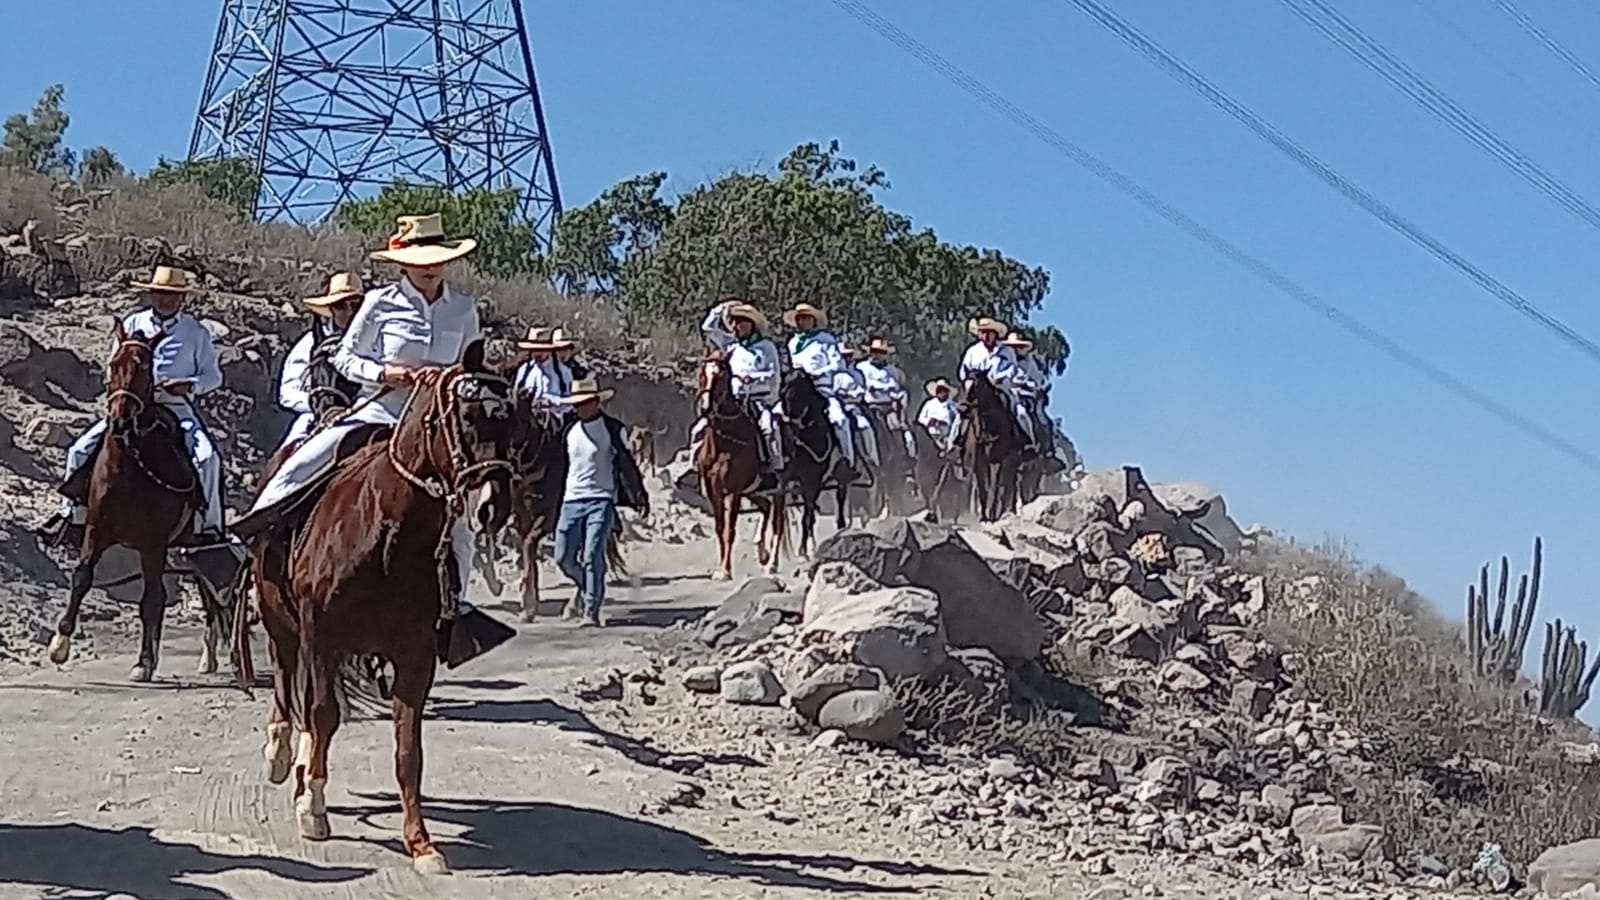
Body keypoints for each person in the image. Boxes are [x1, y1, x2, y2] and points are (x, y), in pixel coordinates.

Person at [234, 212, 482, 605]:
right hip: (380, 411)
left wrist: (449, 378)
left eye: (437, 260)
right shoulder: (380, 304)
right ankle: (254, 537)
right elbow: (346, 359)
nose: (432, 267)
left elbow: (473, 365)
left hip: (437, 425)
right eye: (423, 261)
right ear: (404, 264)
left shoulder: (464, 309)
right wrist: (386, 373)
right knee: (302, 462)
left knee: (463, 519)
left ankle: (457, 606)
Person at [41, 265, 225, 547]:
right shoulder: (133, 324)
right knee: (79, 449)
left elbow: (213, 376)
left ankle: (210, 526)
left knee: (208, 459)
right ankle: (71, 515)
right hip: (131, 404)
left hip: (174, 404)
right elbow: (113, 365)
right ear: (151, 294)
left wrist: (189, 385)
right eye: (159, 293)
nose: (165, 299)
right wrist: (119, 394)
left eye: (171, 294)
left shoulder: (196, 333)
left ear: (182, 298)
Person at [553, 377, 650, 627]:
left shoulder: (612, 429)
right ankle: (589, 586)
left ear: (596, 402)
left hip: (601, 499)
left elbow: (627, 464)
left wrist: (639, 494)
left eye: (584, 403)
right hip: (571, 500)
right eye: (576, 404)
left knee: (593, 553)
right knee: (562, 557)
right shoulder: (568, 431)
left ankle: (591, 610)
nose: (579, 408)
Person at [699, 298, 785, 492]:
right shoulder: (731, 345)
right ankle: (696, 464)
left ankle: (773, 470)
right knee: (701, 426)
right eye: (734, 321)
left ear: (751, 325)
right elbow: (708, 328)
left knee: (769, 427)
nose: (736, 326)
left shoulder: (766, 347)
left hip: (758, 400)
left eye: (740, 322)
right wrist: (722, 307)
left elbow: (773, 376)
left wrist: (751, 380)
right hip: (732, 400)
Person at [275, 272, 363, 453]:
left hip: (366, 414)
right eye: (341, 306)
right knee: (288, 463)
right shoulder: (309, 343)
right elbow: (287, 392)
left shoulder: (375, 341)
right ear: (331, 309)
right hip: (315, 416)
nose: (349, 312)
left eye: (355, 306)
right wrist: (322, 405)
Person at [782, 302, 858, 483]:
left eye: (806, 318)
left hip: (821, 389)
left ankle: (847, 461)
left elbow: (837, 364)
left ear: (813, 320)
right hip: (796, 391)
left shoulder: (826, 339)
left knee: (839, 420)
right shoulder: (792, 342)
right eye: (799, 318)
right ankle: (779, 462)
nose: (802, 321)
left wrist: (818, 373)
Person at [957, 316, 1036, 453]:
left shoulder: (1006, 351)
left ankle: (1029, 441)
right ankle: (955, 444)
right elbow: (963, 373)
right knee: (960, 416)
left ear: (995, 334)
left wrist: (1001, 377)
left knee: (1021, 413)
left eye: (989, 332)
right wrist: (969, 383)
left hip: (1002, 389)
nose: (986, 335)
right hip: (976, 392)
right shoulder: (972, 352)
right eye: (983, 332)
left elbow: (1013, 369)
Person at [855, 336, 916, 459]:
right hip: (868, 406)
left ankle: (905, 461)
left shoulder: (892, 371)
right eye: (875, 351)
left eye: (881, 352)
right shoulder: (861, 368)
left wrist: (896, 400)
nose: (877, 355)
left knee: (899, 431)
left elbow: (897, 390)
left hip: (888, 407)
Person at [834, 344, 878, 469]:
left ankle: (872, 457)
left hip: (852, 406)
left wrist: (848, 395)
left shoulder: (857, 374)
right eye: (843, 355)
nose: (846, 358)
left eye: (849, 355)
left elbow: (860, 392)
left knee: (865, 426)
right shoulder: (833, 373)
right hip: (835, 406)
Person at [916, 378, 963, 455]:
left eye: (943, 390)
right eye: (939, 390)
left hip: (946, 432)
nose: (941, 393)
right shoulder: (929, 403)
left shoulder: (951, 405)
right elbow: (920, 418)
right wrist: (930, 421)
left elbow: (957, 419)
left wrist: (951, 437)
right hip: (931, 432)